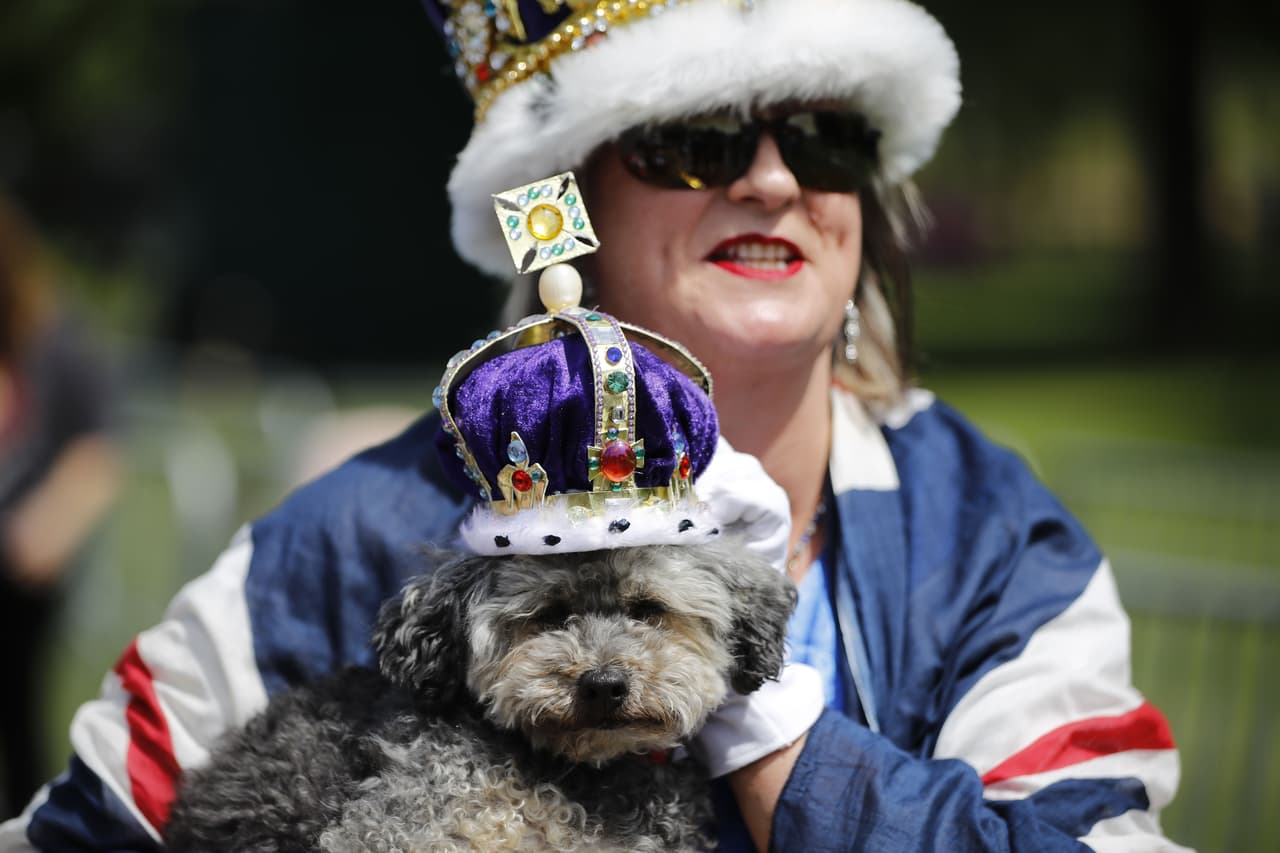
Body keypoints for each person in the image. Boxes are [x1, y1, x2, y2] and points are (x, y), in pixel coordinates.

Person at [1, 0, 1187, 850]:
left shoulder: (988, 536)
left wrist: (769, 733)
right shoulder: (356, 532)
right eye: (695, 138)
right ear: (560, 204)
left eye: (825, 136)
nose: (772, 181)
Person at [0, 198, 121, 821]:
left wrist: (50, 525)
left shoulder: (57, 342)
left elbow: (96, 450)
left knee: (19, 713)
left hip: (20, 570)